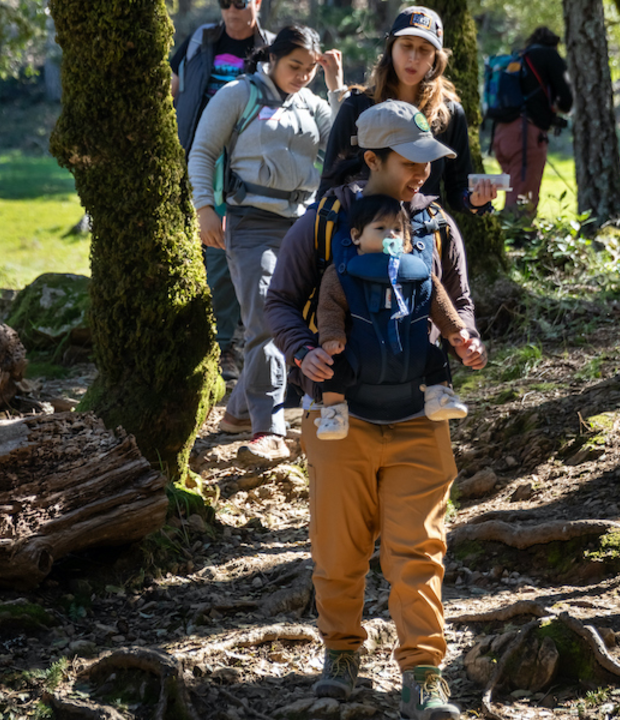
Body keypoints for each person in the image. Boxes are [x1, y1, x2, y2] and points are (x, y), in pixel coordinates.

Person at [266, 100, 487, 720]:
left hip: (421, 418)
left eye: (428, 158)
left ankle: (424, 672)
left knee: (419, 549)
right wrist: (304, 351)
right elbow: (281, 300)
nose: (423, 170)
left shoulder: (440, 226)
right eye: (411, 159)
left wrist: (467, 339)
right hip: (341, 419)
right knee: (337, 549)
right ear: (373, 160)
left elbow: (460, 301)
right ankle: (341, 650)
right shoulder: (324, 222)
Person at [187, 25, 344, 465]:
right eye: (295, 66)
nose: (301, 76)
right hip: (248, 223)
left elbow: (344, 147)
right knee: (268, 319)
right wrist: (204, 208)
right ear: (272, 58)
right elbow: (202, 151)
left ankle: (237, 411)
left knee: (296, 319)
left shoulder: (312, 103)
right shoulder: (239, 95)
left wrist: (333, 88)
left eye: (310, 70)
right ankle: (269, 427)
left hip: (301, 227)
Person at [171, 0, 275, 381]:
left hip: (246, 163)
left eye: (241, 1)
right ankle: (204, 340)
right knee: (200, 246)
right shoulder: (200, 39)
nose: (232, 8)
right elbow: (172, 87)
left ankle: (224, 344)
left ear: (257, 3)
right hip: (198, 156)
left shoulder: (273, 49)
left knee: (225, 247)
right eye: (224, 1)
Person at [313, 193, 469, 440]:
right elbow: (329, 306)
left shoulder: (417, 272)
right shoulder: (343, 274)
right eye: (380, 228)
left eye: (398, 229)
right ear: (356, 236)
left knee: (436, 357)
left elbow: (437, 299)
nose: (391, 235)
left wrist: (454, 329)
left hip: (410, 347)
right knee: (336, 368)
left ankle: (439, 396)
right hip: (360, 351)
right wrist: (332, 336)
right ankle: (334, 413)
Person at [316, 6, 497, 217]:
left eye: (424, 49)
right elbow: (328, 185)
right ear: (391, 48)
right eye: (406, 46)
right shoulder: (357, 106)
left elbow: (458, 191)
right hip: (362, 235)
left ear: (436, 58)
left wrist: (475, 201)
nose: (414, 57)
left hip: (422, 238)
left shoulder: (448, 113)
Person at [491, 26, 573, 221]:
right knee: (523, 198)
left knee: (513, 191)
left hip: (501, 133)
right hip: (526, 135)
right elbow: (567, 101)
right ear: (553, 44)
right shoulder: (549, 56)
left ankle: (511, 236)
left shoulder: (519, 58)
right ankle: (518, 242)